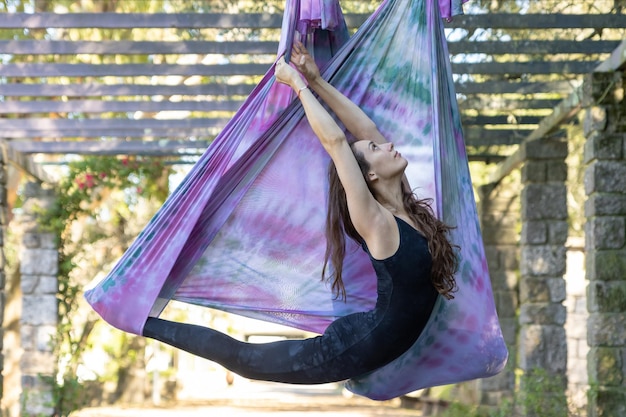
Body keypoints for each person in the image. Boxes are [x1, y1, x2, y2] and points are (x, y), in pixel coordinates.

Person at [142, 41, 458, 385]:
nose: (387, 143)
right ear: (369, 175)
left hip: (374, 341)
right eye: (376, 149)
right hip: (352, 348)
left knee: (249, 361)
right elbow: (338, 143)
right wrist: (296, 84)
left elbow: (364, 131)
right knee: (247, 360)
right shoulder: (376, 221)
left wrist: (317, 81)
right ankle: (141, 322)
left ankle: (143, 321)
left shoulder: (407, 206)